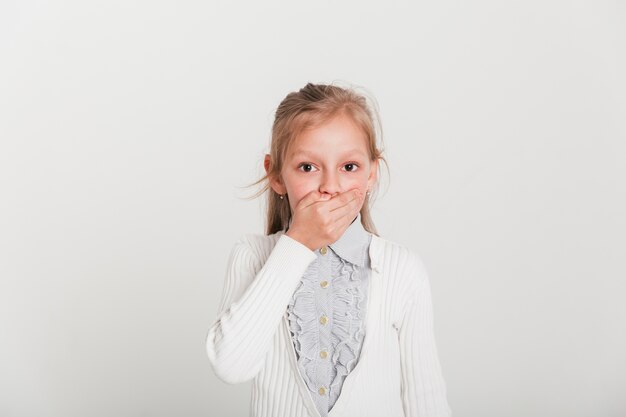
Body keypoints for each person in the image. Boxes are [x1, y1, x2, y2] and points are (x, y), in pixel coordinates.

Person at [205, 82, 451, 417]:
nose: (330, 187)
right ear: (276, 176)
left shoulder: (401, 269)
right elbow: (232, 366)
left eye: (349, 167)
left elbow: (426, 398)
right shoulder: (252, 255)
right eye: (308, 167)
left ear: (371, 174)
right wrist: (297, 243)